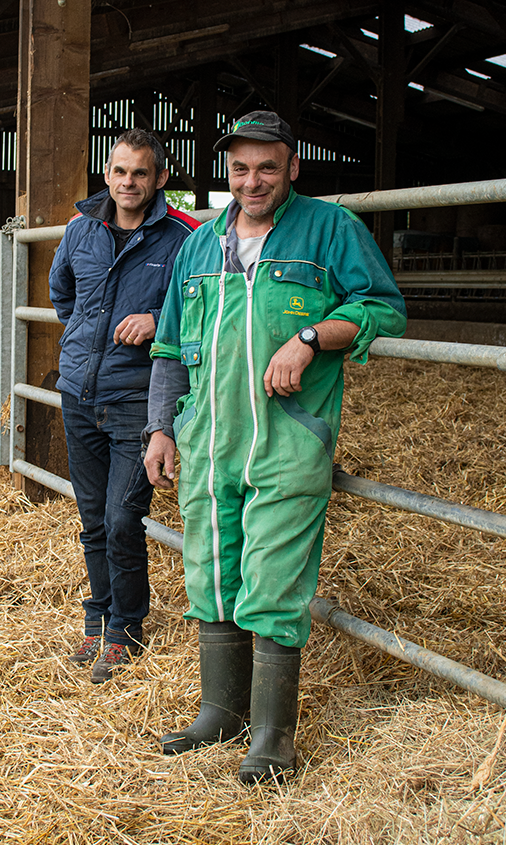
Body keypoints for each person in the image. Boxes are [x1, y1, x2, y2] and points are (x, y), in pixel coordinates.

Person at [143, 111, 407, 780]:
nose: (252, 180)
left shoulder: (330, 230)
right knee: (209, 568)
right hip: (208, 438)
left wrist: (313, 336)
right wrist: (161, 426)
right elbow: (172, 345)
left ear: (292, 166)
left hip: (289, 437)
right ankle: (219, 713)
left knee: (274, 576)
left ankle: (271, 736)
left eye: (266, 166)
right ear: (226, 171)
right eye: (239, 167)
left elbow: (382, 305)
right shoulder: (199, 246)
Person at [49, 128, 199, 683]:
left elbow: (205, 307)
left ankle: (126, 628)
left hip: (139, 399)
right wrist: (84, 344)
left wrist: (160, 322)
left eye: (140, 173)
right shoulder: (80, 231)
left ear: (160, 177)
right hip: (80, 394)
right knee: (92, 519)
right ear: (106, 174)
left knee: (120, 518)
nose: (127, 182)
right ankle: (99, 619)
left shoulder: (184, 238)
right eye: (118, 171)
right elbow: (61, 292)